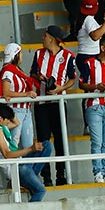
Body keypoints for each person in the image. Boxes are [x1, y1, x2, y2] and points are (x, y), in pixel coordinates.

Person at [30, 25, 75, 186]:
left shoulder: (68, 56)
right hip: (41, 102)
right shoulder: (38, 54)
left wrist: (60, 89)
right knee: (43, 141)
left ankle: (61, 175)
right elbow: (32, 73)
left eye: (44, 35)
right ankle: (46, 176)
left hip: (59, 103)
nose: (42, 38)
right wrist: (40, 77)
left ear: (52, 39)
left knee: (60, 140)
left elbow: (72, 78)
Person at [78, 34, 105, 183]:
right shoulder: (89, 63)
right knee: (96, 142)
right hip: (93, 106)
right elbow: (81, 84)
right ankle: (98, 172)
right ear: (102, 48)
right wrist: (96, 87)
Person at [0, 103, 50, 201]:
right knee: (40, 191)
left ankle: (28, 179)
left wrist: (8, 109)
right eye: (7, 119)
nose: (9, 122)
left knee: (47, 146)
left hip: (20, 162)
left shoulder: (1, 127)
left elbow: (17, 123)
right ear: (1, 118)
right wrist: (30, 149)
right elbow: (7, 154)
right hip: (14, 169)